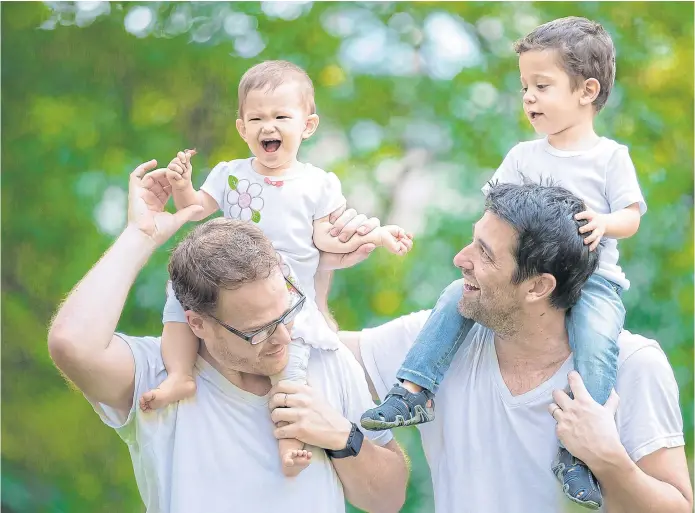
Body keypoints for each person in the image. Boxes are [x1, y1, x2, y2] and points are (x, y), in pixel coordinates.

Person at [360, 17, 645, 508]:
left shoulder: (609, 157)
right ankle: (413, 389)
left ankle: (578, 454)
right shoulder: (523, 155)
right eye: (524, 87)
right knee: (454, 299)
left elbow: (631, 215)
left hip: (593, 279)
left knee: (597, 347)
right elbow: (497, 207)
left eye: (542, 86)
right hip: (522, 278)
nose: (529, 97)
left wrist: (604, 223)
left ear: (587, 90)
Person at [47, 160, 409, 513]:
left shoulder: (324, 358)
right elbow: (71, 344)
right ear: (197, 324)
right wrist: (141, 235)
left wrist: (344, 437)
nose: (283, 336)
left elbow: (389, 499)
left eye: (286, 312)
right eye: (258, 331)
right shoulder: (156, 378)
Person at [342, 181, 692, 513]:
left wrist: (608, 459)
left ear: (538, 287)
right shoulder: (438, 344)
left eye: (485, 254)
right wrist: (324, 264)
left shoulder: (634, 365)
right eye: (472, 241)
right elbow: (324, 353)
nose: (460, 259)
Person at [143, 60, 412, 477]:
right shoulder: (229, 174)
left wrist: (376, 236)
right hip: (231, 285)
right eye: (257, 118)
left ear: (308, 125)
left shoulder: (318, 183)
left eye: (281, 116)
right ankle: (179, 374)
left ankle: (290, 444)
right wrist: (181, 185)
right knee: (177, 302)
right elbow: (194, 209)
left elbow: (327, 238)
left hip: (286, 296)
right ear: (242, 128)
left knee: (289, 370)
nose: (268, 125)